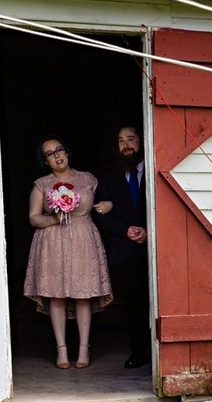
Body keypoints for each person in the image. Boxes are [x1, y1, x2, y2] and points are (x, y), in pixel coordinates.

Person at [23, 136, 113, 369]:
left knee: (83, 295)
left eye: (59, 150)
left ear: (67, 152)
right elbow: (33, 218)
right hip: (53, 240)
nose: (57, 156)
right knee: (57, 296)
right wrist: (55, 217)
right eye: (50, 153)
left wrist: (109, 205)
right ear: (44, 161)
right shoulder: (41, 184)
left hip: (83, 238)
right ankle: (61, 350)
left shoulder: (88, 179)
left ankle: (84, 349)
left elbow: (107, 202)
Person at [92, 125, 151, 369]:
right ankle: (139, 351)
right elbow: (99, 216)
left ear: (142, 141)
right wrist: (125, 230)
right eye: (120, 140)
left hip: (155, 248)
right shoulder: (109, 176)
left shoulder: (156, 168)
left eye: (131, 139)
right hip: (125, 251)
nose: (126, 145)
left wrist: (150, 232)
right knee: (134, 304)